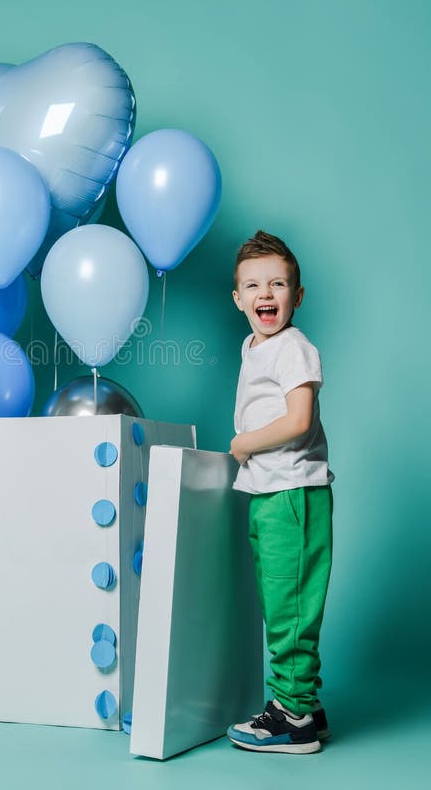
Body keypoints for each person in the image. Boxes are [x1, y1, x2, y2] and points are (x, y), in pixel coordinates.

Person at [226, 230, 334, 754]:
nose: (266, 293)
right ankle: (305, 704)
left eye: (278, 283)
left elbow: (298, 418)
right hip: (271, 493)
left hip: (293, 492)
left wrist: (245, 442)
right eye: (253, 285)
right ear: (238, 298)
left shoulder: (292, 347)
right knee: (281, 599)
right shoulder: (255, 346)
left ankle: (291, 716)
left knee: (289, 604)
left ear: (298, 294)